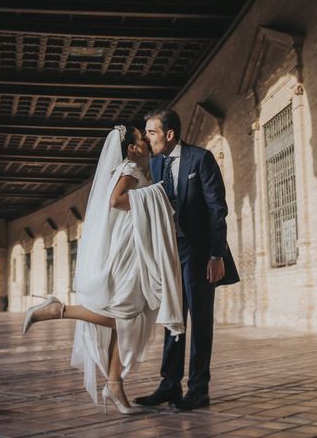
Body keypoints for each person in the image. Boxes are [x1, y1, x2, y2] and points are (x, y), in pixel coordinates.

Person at [21, 124, 184, 415]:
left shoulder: (131, 170)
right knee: (127, 316)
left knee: (128, 317)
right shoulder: (131, 170)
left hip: (130, 248)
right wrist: (157, 196)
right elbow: (116, 201)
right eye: (141, 137)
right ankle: (58, 310)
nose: (147, 139)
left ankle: (114, 383)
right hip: (128, 253)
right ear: (132, 148)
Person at [135, 108, 240, 411]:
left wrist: (216, 254)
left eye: (151, 132)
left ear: (169, 134)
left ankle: (198, 389)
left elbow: (217, 209)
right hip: (170, 252)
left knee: (201, 321)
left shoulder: (200, 158)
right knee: (173, 317)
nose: (147, 137)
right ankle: (169, 385)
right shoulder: (155, 162)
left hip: (200, 253)